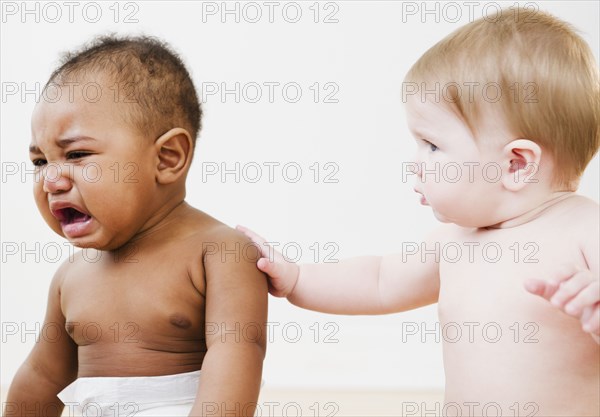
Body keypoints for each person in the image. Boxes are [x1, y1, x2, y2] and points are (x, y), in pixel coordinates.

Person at [239, 7, 599, 416]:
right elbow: (378, 280)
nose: (416, 162)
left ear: (515, 164)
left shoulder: (586, 230)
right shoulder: (452, 243)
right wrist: (298, 277)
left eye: (432, 145)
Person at [4, 35, 267, 417]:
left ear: (167, 158)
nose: (51, 181)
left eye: (76, 154)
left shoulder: (220, 252)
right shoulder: (72, 276)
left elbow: (237, 356)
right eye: (40, 162)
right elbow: (42, 376)